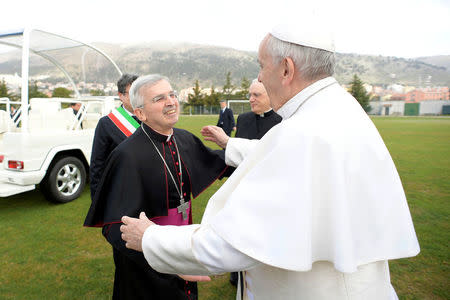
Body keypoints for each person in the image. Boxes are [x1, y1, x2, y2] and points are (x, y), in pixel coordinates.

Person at [120, 24, 420, 300]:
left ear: (286, 69)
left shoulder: (302, 131)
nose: (260, 78)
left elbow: (232, 243)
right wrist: (230, 144)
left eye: (262, 67)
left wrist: (150, 239)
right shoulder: (338, 107)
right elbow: (283, 158)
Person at [84, 74, 228, 300]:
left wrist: (246, 153)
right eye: (159, 98)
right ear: (140, 113)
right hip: (144, 268)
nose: (171, 101)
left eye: (172, 94)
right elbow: (113, 226)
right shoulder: (126, 155)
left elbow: (218, 161)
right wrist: (166, 259)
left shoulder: (183, 138)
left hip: (182, 242)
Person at [228, 79, 281, 286]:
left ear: (270, 95)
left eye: (256, 95)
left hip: (270, 193)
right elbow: (238, 152)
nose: (251, 99)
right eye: (250, 94)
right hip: (243, 189)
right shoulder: (244, 119)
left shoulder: (283, 121)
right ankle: (236, 273)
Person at [89, 73, 138, 200]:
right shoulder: (106, 123)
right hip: (120, 191)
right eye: (133, 92)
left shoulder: (152, 119)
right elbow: (97, 164)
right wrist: (97, 199)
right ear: (120, 96)